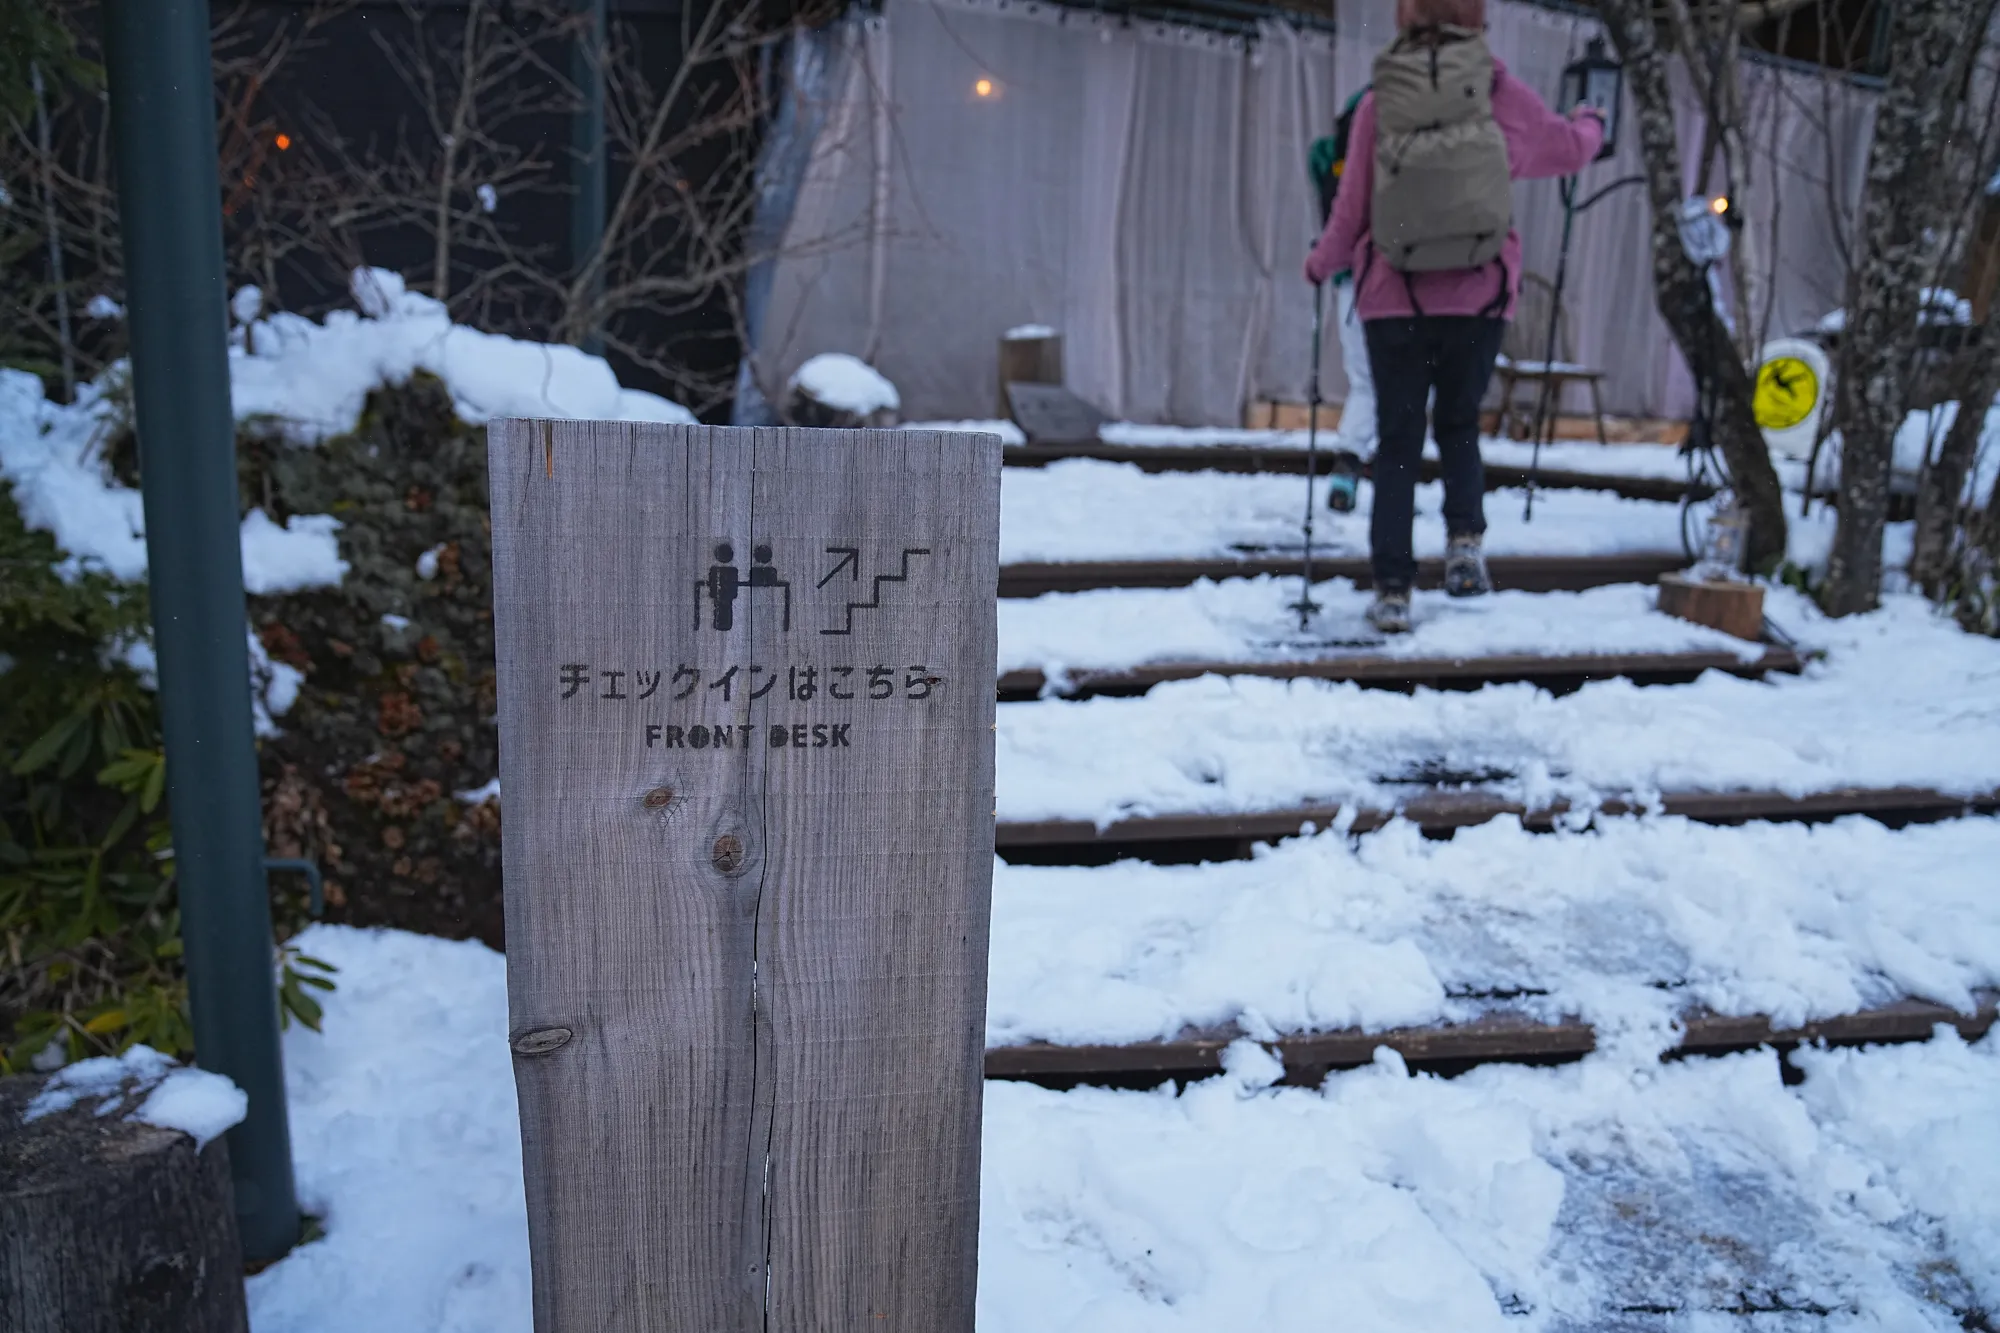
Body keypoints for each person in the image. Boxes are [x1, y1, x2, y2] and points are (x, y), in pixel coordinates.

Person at [1305, 0, 1604, 634]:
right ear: (1475, 22)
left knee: (1397, 439)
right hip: (1480, 294)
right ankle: (1465, 547)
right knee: (1460, 423)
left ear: (1405, 20)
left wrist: (1319, 263)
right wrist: (1593, 121)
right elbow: (1566, 148)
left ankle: (1392, 587)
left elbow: (1351, 208)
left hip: (1393, 297)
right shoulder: (1495, 91)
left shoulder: (1379, 103)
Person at [1309, 90, 1377, 473]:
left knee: (1364, 378)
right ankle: (1391, 472)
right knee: (1407, 384)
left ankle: (1349, 459)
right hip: (1401, 283)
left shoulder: (1330, 156)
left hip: (1351, 279)